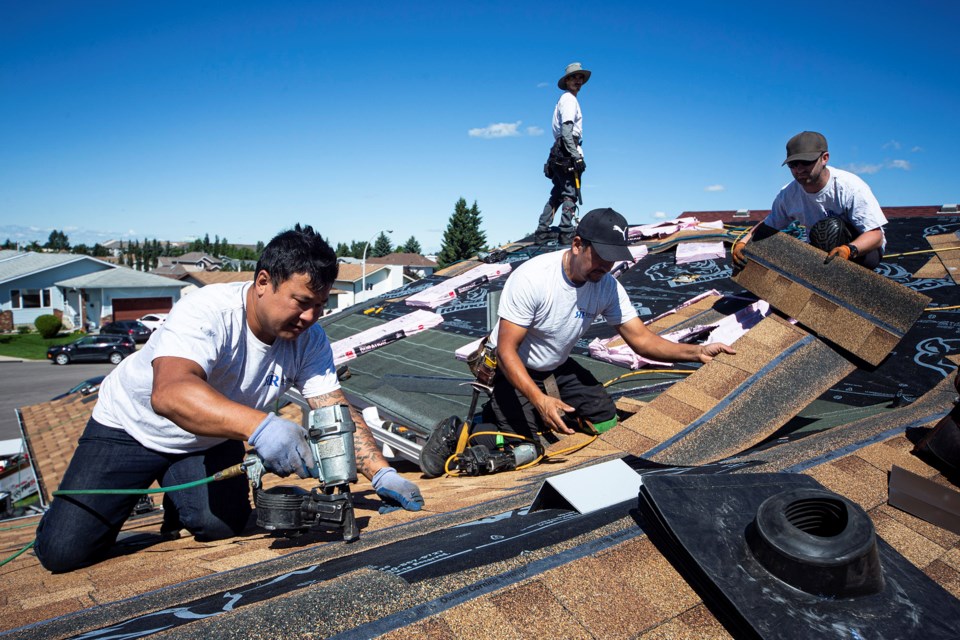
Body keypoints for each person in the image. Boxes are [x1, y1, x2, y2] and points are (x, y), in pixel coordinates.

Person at [35, 224, 424, 572]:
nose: (311, 317)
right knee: (64, 552)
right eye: (302, 301)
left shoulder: (310, 339)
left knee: (220, 526)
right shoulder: (207, 311)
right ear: (262, 282)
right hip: (131, 427)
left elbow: (332, 408)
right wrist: (262, 427)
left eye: (320, 305)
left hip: (206, 439)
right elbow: (169, 393)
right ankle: (63, 518)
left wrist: (380, 472)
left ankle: (179, 501)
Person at [420, 208, 736, 477]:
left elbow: (641, 340)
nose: (607, 266)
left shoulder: (607, 286)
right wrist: (540, 400)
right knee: (525, 448)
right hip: (511, 367)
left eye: (614, 259)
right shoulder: (534, 279)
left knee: (604, 416)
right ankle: (464, 430)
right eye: (601, 256)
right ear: (577, 244)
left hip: (555, 364)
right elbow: (506, 351)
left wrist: (696, 351)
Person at [732, 131, 887, 269]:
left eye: (806, 162)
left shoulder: (850, 187)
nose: (799, 170)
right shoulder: (788, 194)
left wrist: (848, 250)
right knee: (788, 248)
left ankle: (842, 278)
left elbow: (876, 236)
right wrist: (743, 243)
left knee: (830, 228)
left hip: (863, 253)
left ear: (824, 158)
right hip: (820, 250)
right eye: (793, 164)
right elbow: (769, 225)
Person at [535, 62, 590, 245]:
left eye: (580, 77)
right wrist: (576, 156)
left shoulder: (565, 99)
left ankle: (542, 230)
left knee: (558, 192)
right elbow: (567, 131)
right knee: (569, 193)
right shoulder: (569, 100)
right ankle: (566, 231)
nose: (578, 81)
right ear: (567, 81)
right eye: (574, 77)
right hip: (567, 149)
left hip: (558, 151)